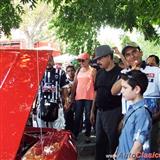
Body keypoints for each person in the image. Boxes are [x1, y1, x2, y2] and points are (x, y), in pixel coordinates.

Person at [111, 42, 160, 155]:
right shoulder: (124, 73)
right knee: (128, 151)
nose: (132, 56)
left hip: (152, 122)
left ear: (141, 52)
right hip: (128, 121)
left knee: (149, 153)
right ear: (125, 58)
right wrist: (130, 72)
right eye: (128, 54)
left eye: (134, 52)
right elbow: (113, 91)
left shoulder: (156, 71)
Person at [90, 45, 122, 160]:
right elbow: (96, 92)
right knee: (99, 142)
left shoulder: (120, 72)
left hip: (113, 112)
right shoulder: (99, 73)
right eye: (97, 59)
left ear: (109, 57)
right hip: (99, 112)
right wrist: (92, 111)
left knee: (113, 142)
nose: (98, 62)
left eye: (100, 59)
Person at [116, 70, 152, 160]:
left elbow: (138, 146)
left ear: (136, 89)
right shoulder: (132, 108)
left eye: (125, 88)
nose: (122, 91)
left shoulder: (142, 113)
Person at [35, 56, 70, 128]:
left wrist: (66, 101)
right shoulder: (38, 73)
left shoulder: (60, 73)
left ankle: (57, 139)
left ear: (53, 61)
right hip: (41, 104)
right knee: (42, 129)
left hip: (56, 104)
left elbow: (65, 88)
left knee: (57, 128)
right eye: (46, 60)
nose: (48, 62)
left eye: (50, 60)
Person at [71, 52, 96, 142]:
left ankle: (87, 135)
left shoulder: (93, 70)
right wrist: (71, 97)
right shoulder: (78, 70)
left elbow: (95, 84)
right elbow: (74, 84)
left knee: (88, 116)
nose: (81, 62)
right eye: (79, 61)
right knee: (77, 116)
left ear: (88, 60)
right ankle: (75, 134)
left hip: (89, 97)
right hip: (79, 96)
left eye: (82, 60)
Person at [64, 65, 76, 132]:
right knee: (68, 116)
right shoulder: (66, 82)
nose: (70, 72)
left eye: (72, 70)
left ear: (74, 71)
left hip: (77, 101)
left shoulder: (78, 80)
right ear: (66, 73)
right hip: (69, 102)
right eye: (68, 71)